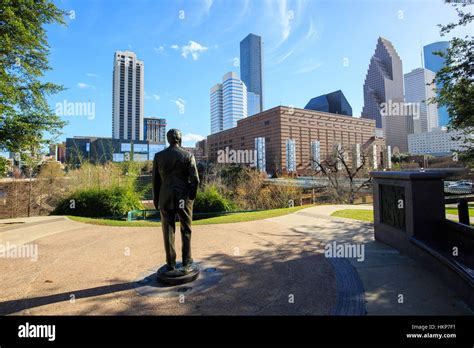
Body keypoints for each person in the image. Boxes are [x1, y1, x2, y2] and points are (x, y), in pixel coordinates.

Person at [152, 129, 199, 275]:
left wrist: (156, 199)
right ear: (180, 139)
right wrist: (191, 196)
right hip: (183, 199)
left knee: (167, 230)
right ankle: (187, 261)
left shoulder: (159, 156)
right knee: (186, 229)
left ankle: (170, 264)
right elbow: (195, 180)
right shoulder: (188, 155)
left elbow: (155, 181)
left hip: (165, 198)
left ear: (168, 139)